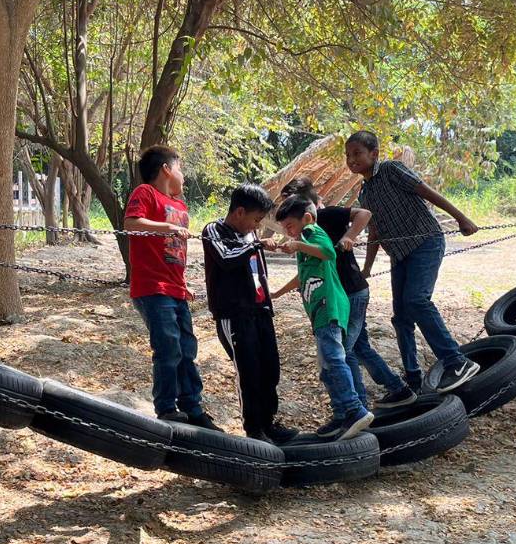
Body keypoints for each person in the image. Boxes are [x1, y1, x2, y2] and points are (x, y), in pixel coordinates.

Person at [347, 130, 480, 394]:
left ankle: (457, 361)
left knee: (417, 301)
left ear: (374, 154)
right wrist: (367, 268)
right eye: (348, 155)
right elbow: (375, 232)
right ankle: (413, 378)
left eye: (357, 154)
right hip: (399, 255)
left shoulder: (392, 169)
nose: (351, 160)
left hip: (426, 242)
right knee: (402, 318)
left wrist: (461, 218)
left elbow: (426, 192)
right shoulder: (366, 192)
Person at [278, 177, 416, 408]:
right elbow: (307, 272)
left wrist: (348, 236)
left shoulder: (326, 217)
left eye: (290, 204)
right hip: (340, 292)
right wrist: (278, 292)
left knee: (344, 351)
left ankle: (356, 407)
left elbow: (364, 214)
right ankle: (398, 389)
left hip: (350, 291)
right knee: (359, 347)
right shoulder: (306, 233)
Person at [124, 145, 220, 431]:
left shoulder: (180, 205)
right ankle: (166, 407)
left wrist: (183, 283)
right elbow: (131, 223)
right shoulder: (145, 193)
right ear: (166, 169)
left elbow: (174, 255)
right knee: (168, 347)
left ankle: (192, 406)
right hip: (152, 288)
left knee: (187, 347)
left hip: (175, 288)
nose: (184, 175)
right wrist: (166, 228)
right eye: (180, 168)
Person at [202, 184, 298, 444]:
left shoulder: (250, 237)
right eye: (255, 220)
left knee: (270, 368)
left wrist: (268, 301)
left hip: (260, 312)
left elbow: (258, 272)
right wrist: (256, 246)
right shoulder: (214, 230)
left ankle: (269, 423)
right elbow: (226, 258)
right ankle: (254, 429)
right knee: (249, 370)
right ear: (240, 212)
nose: (256, 227)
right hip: (234, 314)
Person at [273, 195, 374, 440]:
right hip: (319, 311)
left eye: (290, 227)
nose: (289, 233)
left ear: (306, 219)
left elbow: (329, 252)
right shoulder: (304, 240)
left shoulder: (312, 233)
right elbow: (303, 276)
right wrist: (276, 293)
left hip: (329, 306)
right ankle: (341, 414)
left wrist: (297, 244)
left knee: (334, 358)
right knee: (327, 366)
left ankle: (353, 408)